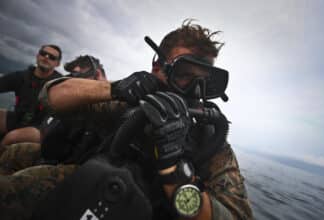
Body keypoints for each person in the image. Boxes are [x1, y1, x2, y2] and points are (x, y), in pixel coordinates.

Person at [1, 20, 253, 220]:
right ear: (158, 66)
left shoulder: (211, 141)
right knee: (16, 158)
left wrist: (175, 171)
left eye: (205, 82)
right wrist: (116, 88)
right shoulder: (130, 100)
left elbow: (237, 215)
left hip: (148, 210)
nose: (195, 89)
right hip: (86, 180)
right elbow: (51, 96)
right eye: (184, 74)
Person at [0, 55, 107, 175]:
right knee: (13, 153)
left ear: (97, 75)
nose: (71, 80)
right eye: (71, 75)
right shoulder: (69, 97)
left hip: (83, 172)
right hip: (57, 154)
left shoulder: (111, 105)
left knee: (12, 139)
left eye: (77, 76)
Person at [0, 44, 63, 150]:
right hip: (18, 118)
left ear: (57, 63)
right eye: (43, 54)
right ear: (38, 56)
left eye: (52, 57)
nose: (46, 57)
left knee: (11, 137)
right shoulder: (22, 77)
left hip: (41, 128)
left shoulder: (59, 84)